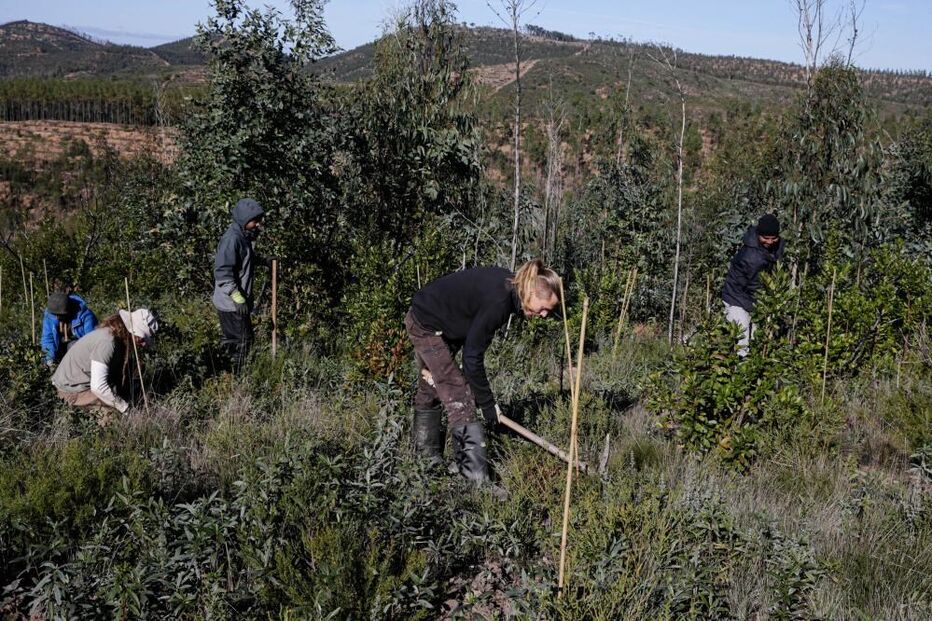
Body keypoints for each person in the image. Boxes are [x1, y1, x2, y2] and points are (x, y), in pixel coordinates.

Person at [405, 259, 561, 484]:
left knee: (434, 386)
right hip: (426, 324)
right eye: (545, 307)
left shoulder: (506, 289)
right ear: (532, 293)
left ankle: (425, 459)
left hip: (441, 325)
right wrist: (487, 404)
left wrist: (483, 397)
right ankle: (475, 480)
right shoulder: (499, 301)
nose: (545, 314)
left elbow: (472, 349)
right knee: (459, 397)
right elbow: (472, 359)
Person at [51, 308, 158, 414]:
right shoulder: (108, 342)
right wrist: (125, 408)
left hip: (83, 381)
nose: (144, 344)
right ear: (131, 330)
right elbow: (98, 386)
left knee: (133, 367)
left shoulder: (118, 338)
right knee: (113, 416)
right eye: (142, 338)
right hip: (71, 390)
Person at [212, 198, 270, 369]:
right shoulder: (232, 239)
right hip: (231, 303)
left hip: (236, 302)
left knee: (235, 340)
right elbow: (223, 271)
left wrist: (263, 261)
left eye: (259, 220)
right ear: (244, 219)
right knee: (242, 342)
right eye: (255, 221)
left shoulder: (243, 237)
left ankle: (226, 372)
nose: (258, 224)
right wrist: (237, 297)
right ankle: (236, 377)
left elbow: (243, 260)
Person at [721, 213, 785, 356]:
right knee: (742, 342)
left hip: (757, 298)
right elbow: (747, 287)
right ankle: (740, 373)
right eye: (765, 238)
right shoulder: (750, 258)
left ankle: (757, 372)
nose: (769, 242)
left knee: (759, 339)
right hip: (736, 297)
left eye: (773, 238)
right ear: (758, 235)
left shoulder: (779, 245)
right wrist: (758, 308)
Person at [41, 291, 97, 366]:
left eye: (60, 315)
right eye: (55, 315)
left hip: (79, 351)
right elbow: (48, 338)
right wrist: (49, 359)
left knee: (72, 346)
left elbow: (92, 341)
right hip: (59, 349)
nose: (57, 317)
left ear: (69, 310)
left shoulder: (86, 316)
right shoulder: (50, 315)